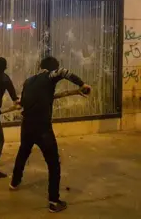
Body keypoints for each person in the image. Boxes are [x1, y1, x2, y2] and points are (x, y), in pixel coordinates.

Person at [10, 56, 91, 213]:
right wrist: (82, 84)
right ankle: (54, 201)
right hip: (42, 128)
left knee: (23, 153)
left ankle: (14, 182)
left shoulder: (28, 81)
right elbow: (63, 72)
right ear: (52, 68)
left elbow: (23, 102)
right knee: (54, 164)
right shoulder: (49, 76)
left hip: (26, 126)